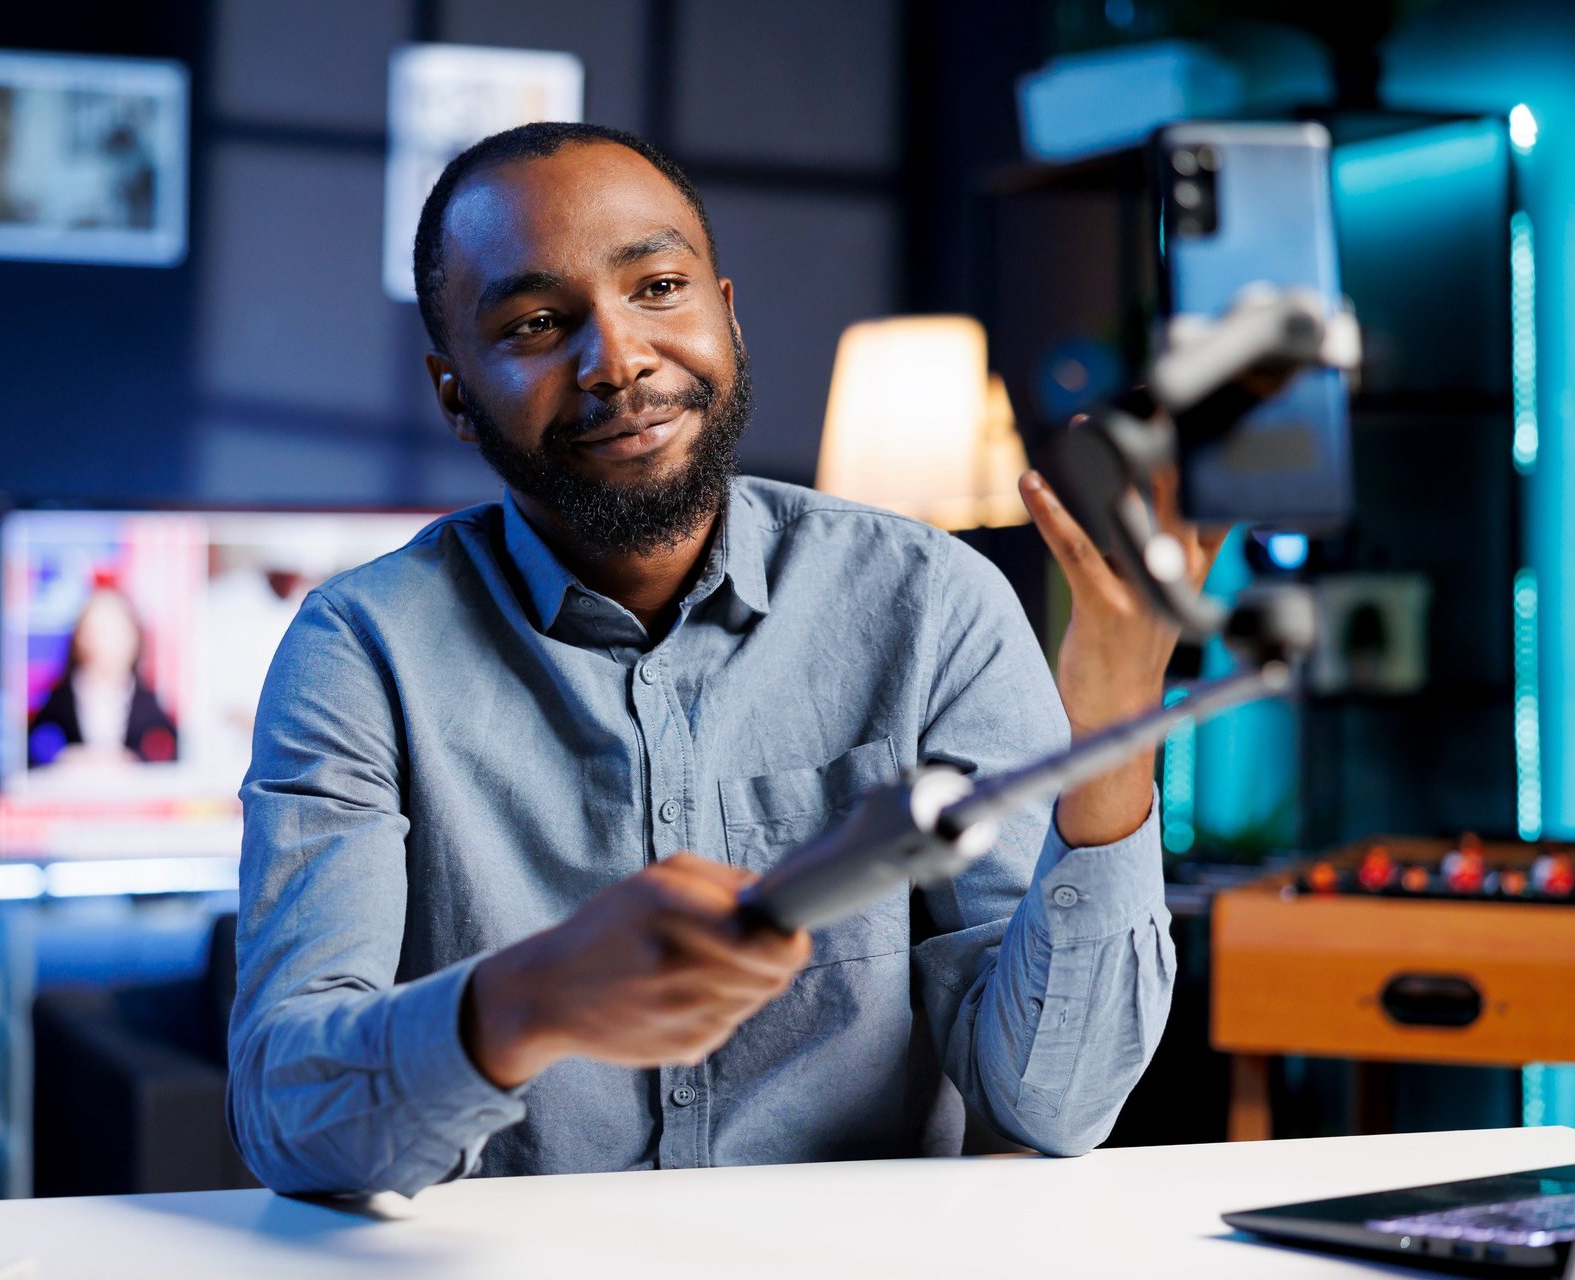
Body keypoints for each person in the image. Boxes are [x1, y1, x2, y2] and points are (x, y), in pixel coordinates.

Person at [229, 122, 1215, 1197]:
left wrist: (1116, 736)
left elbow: (1055, 1103)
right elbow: (292, 1113)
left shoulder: (932, 604)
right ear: (454, 390)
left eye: (657, 286)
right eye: (539, 321)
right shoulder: (360, 651)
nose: (617, 358)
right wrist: (531, 998)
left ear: (728, 318)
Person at [28, 584, 178, 768]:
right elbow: (37, 746)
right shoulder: (60, 699)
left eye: (114, 631)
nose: (104, 642)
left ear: (134, 637)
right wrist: (66, 757)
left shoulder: (147, 702)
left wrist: (132, 760)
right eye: (95, 631)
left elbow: (167, 749)